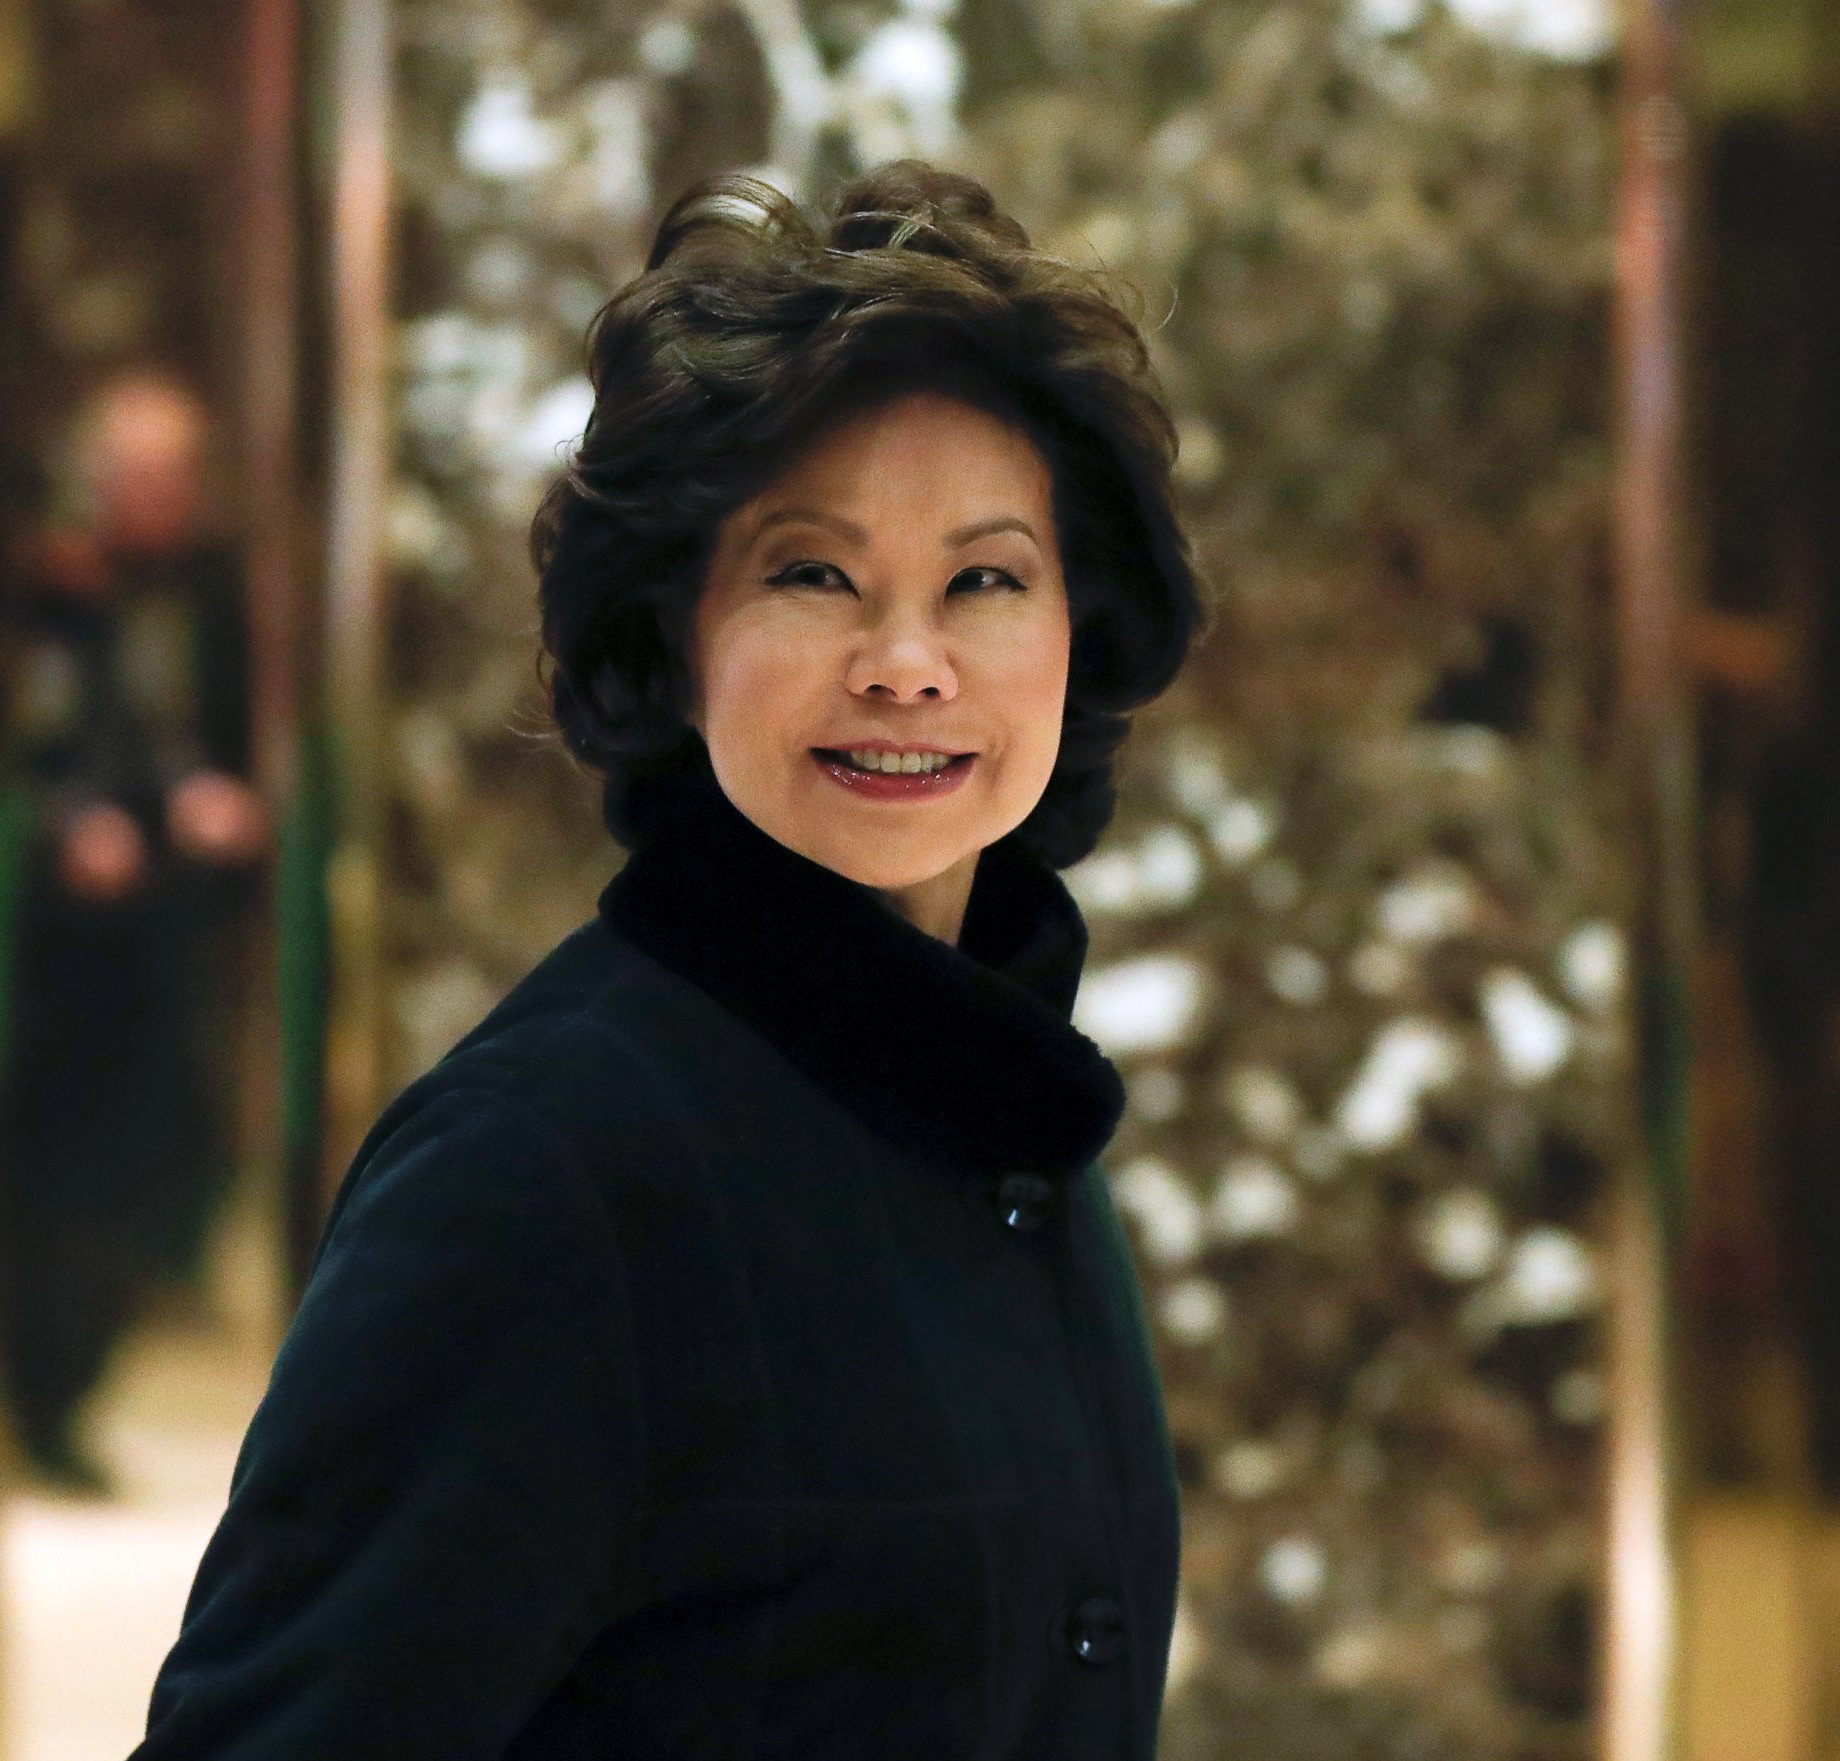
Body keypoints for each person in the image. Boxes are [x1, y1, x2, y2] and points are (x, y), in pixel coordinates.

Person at [134, 162, 1202, 1759]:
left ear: (1076, 628)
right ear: (675, 639)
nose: (907, 666)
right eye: (810, 572)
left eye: (985, 578)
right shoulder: (540, 1172)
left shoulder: (1008, 1106)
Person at [0, 370, 267, 1492]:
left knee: (157, 1162)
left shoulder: (210, 592)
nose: (155, 496)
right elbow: (19, 743)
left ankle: (77, 1382)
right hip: (49, 945)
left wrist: (214, 799)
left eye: (173, 475)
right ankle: (36, 1400)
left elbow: (211, 736)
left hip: (165, 932)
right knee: (50, 1174)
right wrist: (67, 826)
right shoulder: (46, 589)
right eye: (134, 473)